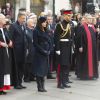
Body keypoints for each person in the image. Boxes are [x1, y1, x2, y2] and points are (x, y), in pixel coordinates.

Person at [54, 9, 74, 89]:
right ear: (64, 16)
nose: (70, 17)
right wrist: (57, 49)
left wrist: (72, 47)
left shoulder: (69, 25)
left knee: (66, 65)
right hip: (62, 47)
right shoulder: (59, 25)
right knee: (61, 66)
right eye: (68, 16)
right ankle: (60, 83)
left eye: (70, 16)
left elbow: (70, 37)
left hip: (68, 46)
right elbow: (56, 37)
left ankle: (65, 82)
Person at [75, 14, 99, 80]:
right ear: (85, 19)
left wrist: (97, 32)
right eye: (89, 18)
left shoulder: (92, 27)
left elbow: (94, 37)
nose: (90, 19)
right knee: (85, 61)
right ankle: (85, 75)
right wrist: (80, 46)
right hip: (85, 48)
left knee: (92, 61)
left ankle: (92, 75)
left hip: (92, 48)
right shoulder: (82, 27)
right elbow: (79, 38)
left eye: (91, 18)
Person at [33, 16, 51, 92]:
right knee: (39, 70)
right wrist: (43, 51)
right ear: (40, 22)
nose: (45, 23)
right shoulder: (36, 30)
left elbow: (49, 40)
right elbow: (35, 43)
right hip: (39, 53)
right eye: (43, 22)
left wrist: (49, 49)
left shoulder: (46, 30)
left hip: (46, 52)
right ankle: (39, 86)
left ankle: (43, 86)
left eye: (45, 22)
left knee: (44, 70)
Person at [9, 12, 27, 89]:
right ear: (18, 18)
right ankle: (16, 84)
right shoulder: (13, 26)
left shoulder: (23, 26)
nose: (24, 20)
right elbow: (10, 38)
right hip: (16, 51)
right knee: (16, 68)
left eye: (25, 19)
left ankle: (20, 82)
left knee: (22, 67)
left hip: (23, 50)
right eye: (23, 18)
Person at [0, 13, 12, 95]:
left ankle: (2, 87)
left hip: (4, 51)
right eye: (3, 18)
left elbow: (6, 37)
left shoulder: (3, 29)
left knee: (4, 70)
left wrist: (9, 41)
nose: (5, 20)